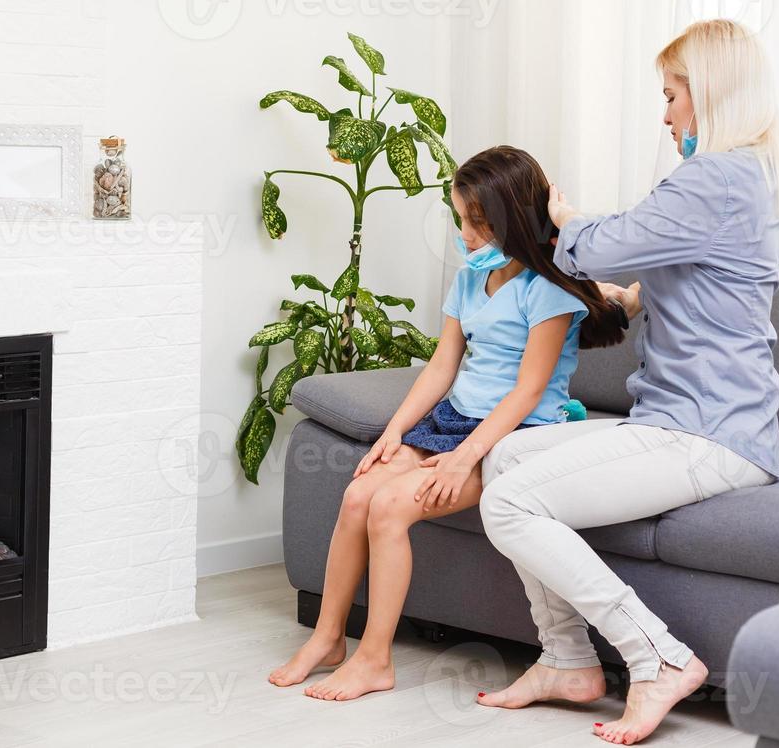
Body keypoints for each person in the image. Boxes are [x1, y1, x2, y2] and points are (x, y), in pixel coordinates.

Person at [475, 19, 779, 745]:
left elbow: (599, 247)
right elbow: (693, 279)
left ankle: (658, 657)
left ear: (711, 94)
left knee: (507, 502)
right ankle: (566, 661)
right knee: (504, 457)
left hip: (705, 434)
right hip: (682, 420)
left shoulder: (718, 176)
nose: (665, 115)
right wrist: (632, 301)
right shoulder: (749, 176)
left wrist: (564, 219)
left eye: (672, 95)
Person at [267, 145, 627, 701]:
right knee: (360, 493)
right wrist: (393, 432)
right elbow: (442, 365)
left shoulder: (549, 292)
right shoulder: (468, 281)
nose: (466, 235)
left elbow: (528, 390)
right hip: (454, 418)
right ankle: (329, 638)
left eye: (478, 223)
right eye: (461, 219)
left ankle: (374, 660)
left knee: (389, 507)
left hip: (513, 436)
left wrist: (464, 458)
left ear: (514, 220)